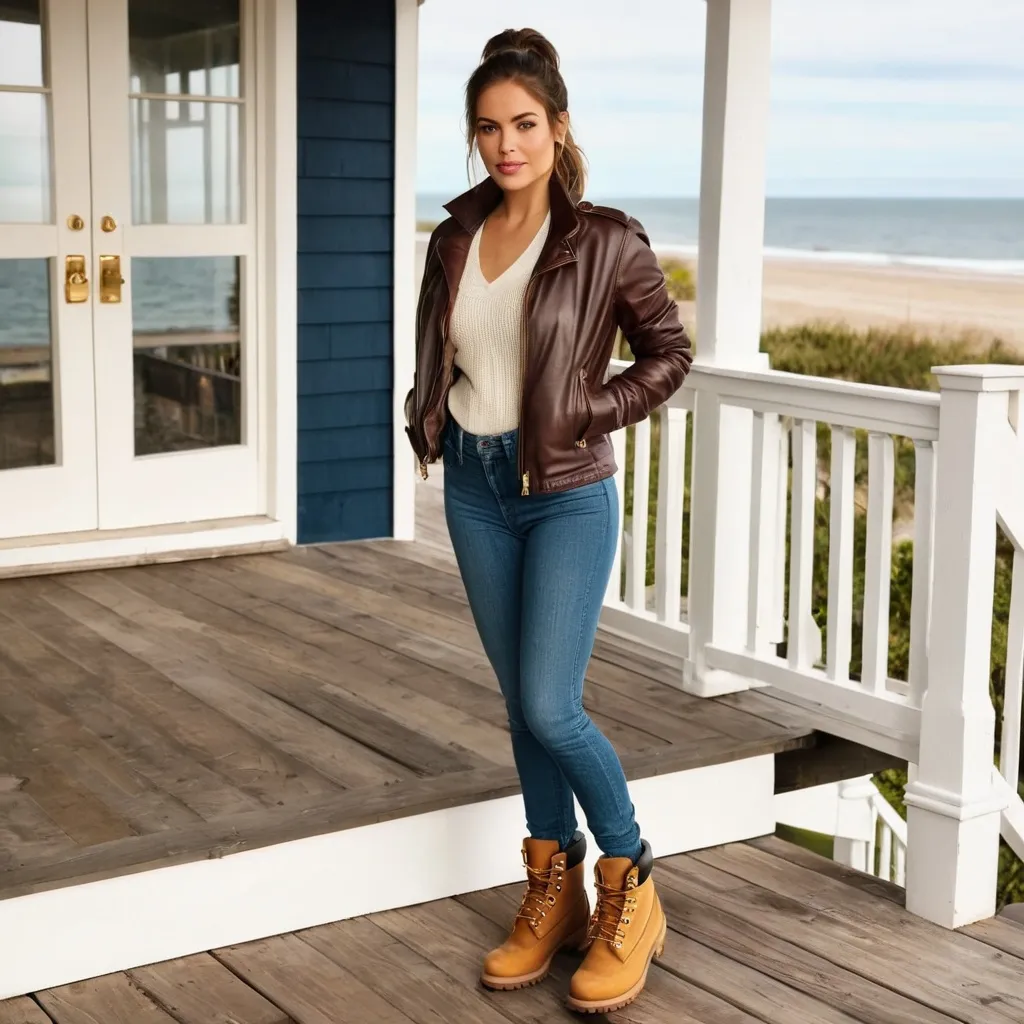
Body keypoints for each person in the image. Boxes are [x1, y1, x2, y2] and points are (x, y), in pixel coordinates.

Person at [404, 27, 692, 1015]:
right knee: (519, 702)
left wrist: (589, 410)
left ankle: (629, 881)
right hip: (476, 487)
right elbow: (443, 345)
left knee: (548, 701)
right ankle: (551, 891)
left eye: (523, 123)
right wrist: (424, 414)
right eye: (487, 127)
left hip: (565, 490)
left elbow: (667, 355)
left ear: (558, 126)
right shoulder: (453, 237)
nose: (504, 144)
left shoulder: (604, 238)